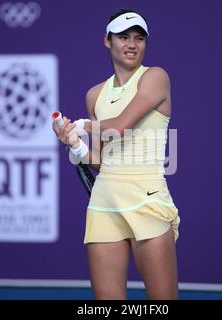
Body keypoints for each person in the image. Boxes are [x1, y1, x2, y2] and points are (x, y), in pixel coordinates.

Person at [52, 9, 180, 300]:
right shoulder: (95, 95)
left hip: (147, 200)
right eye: (124, 37)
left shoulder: (156, 77)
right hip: (104, 202)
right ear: (107, 41)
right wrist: (75, 146)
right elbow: (101, 158)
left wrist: (82, 126)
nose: (132, 44)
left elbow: (120, 127)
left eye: (139, 38)